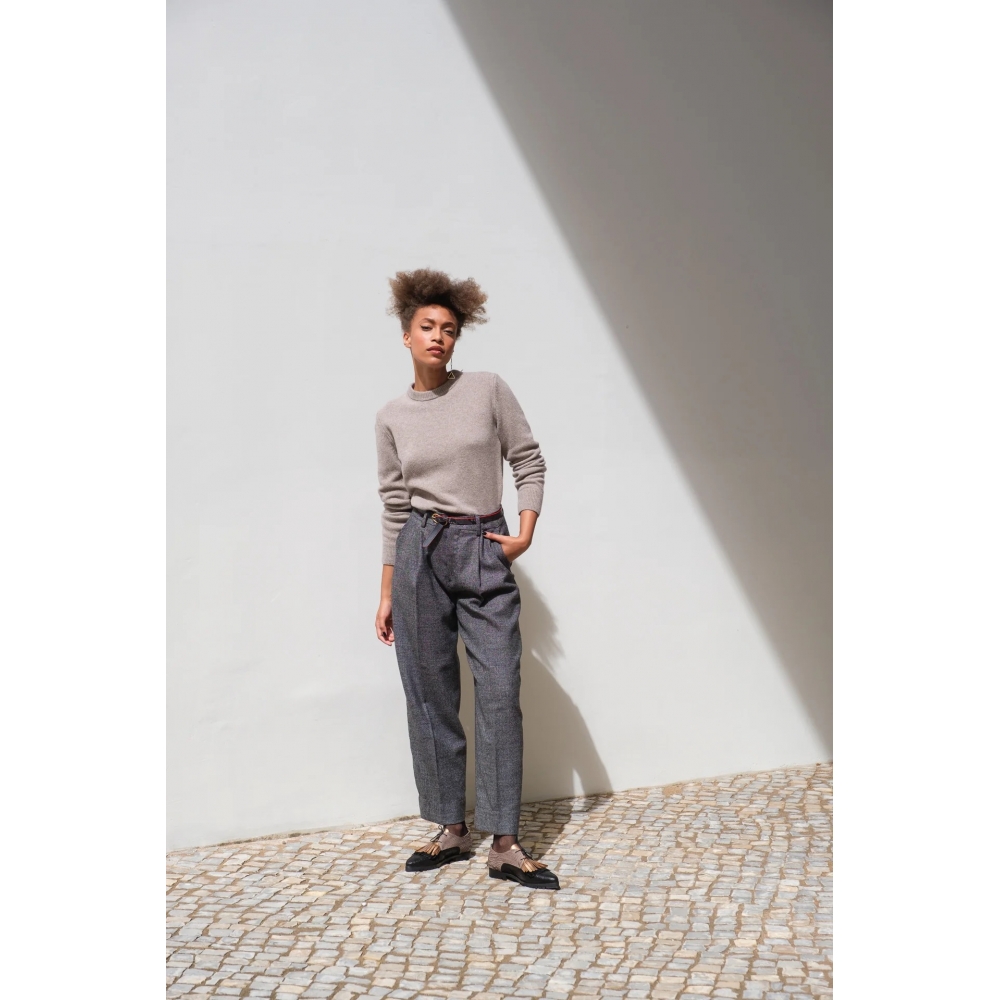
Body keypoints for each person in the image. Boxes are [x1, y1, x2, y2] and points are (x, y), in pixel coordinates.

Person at [374, 268, 559, 890]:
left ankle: (504, 842)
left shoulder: (486, 389)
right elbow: (394, 506)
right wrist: (386, 591)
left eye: (449, 329)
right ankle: (451, 828)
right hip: (419, 551)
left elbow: (528, 459)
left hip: (482, 543)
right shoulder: (391, 416)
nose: (439, 337)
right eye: (427, 326)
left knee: (499, 690)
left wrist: (524, 531)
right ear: (406, 335)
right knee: (429, 694)